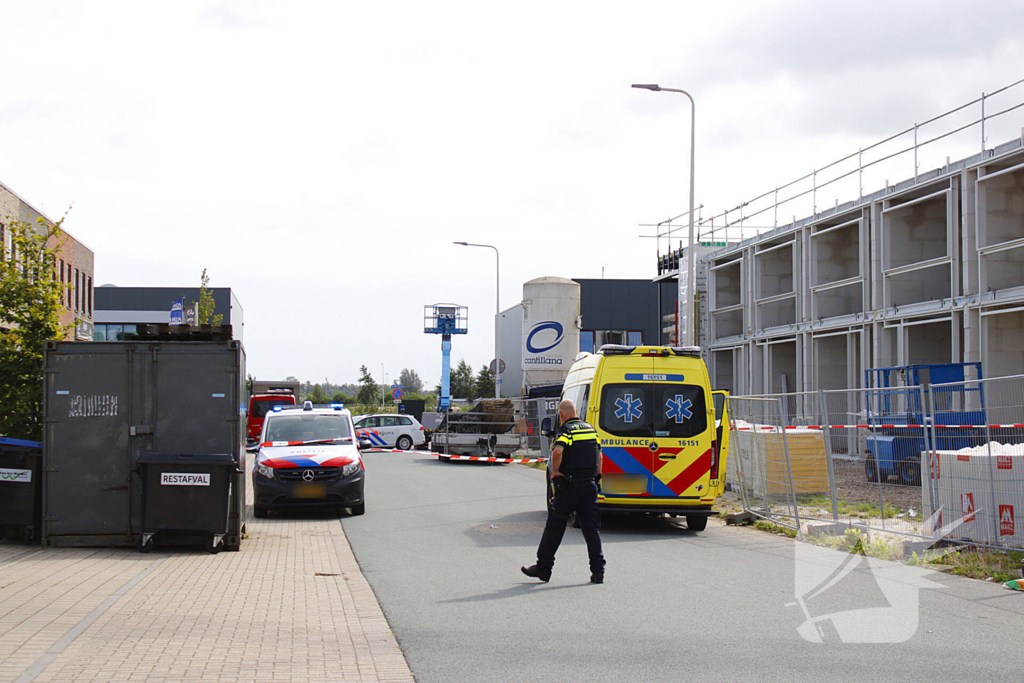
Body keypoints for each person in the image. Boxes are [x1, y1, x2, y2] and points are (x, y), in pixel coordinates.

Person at [522, 399, 605, 583]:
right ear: (576, 411)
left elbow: (558, 452)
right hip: (589, 486)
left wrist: (557, 472)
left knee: (554, 527)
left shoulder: (566, 431)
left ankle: (544, 567)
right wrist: (596, 476)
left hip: (569, 486)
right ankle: (598, 571)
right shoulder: (591, 430)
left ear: (560, 415)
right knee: (592, 530)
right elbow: (599, 456)